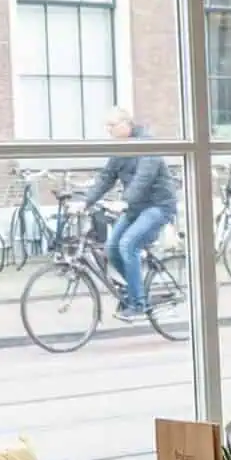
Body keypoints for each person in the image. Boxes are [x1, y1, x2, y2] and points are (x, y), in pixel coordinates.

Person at [81, 108, 176, 319]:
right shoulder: (120, 149)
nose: (108, 130)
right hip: (136, 208)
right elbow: (106, 178)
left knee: (128, 244)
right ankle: (136, 291)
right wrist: (85, 203)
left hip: (157, 206)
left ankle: (138, 304)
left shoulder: (147, 144)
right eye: (106, 126)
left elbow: (143, 178)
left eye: (112, 126)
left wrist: (123, 202)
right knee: (112, 249)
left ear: (127, 124)